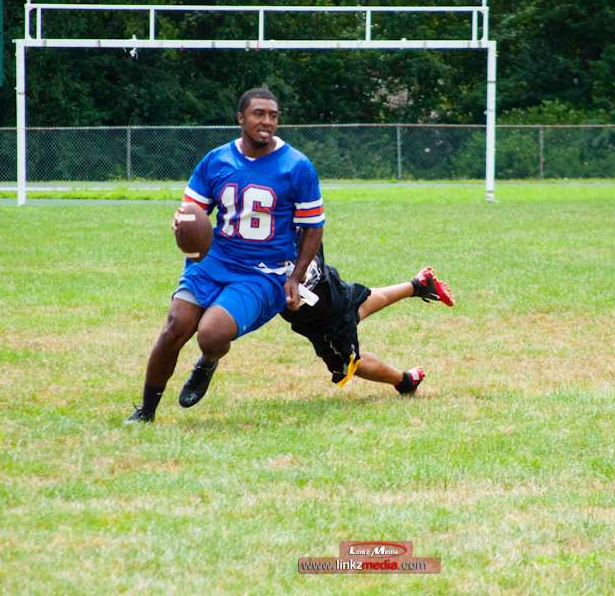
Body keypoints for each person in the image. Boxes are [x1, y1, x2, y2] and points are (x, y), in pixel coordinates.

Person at [126, 88, 324, 423]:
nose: (267, 121)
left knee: (212, 333)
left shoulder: (297, 165)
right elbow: (193, 210)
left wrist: (295, 277)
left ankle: (207, 362)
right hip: (213, 261)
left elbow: (313, 227)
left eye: (273, 116)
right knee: (175, 326)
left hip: (262, 271)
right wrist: (182, 222)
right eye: (259, 114)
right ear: (241, 118)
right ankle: (146, 411)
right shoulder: (216, 160)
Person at [279, 248, 455, 393]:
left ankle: (405, 381)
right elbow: (311, 228)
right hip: (326, 286)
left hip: (317, 308)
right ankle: (418, 286)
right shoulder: (291, 220)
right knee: (353, 304)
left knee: (346, 362)